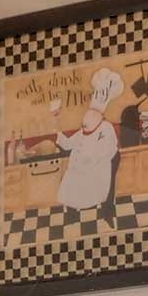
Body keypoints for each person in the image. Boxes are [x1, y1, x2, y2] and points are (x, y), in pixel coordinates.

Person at [50, 69, 126, 214]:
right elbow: (67, 144)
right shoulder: (82, 132)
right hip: (78, 172)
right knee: (71, 185)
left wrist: (91, 160)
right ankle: (72, 217)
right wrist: (56, 121)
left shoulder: (106, 128)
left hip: (94, 173)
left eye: (102, 94)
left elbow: (109, 151)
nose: (98, 96)